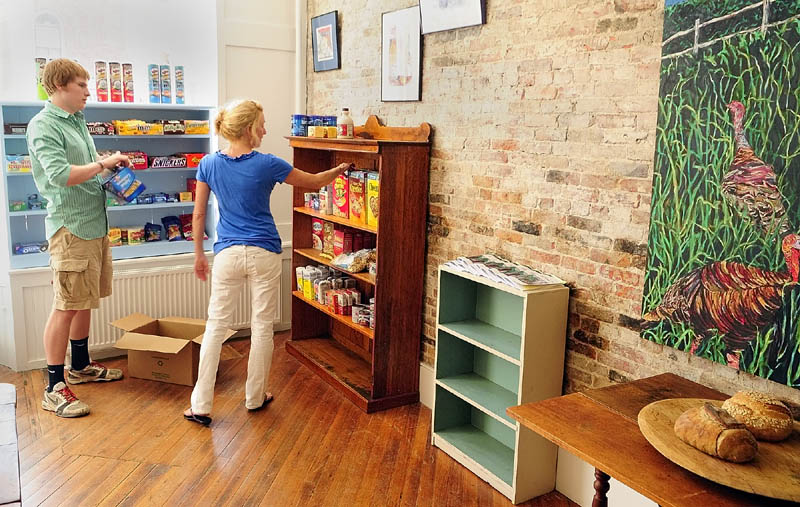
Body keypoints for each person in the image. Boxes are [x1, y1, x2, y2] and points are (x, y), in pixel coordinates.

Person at [184, 99, 351, 426]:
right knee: (261, 326)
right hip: (264, 253)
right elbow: (315, 182)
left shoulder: (208, 164)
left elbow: (199, 214)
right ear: (248, 130)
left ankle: (201, 405)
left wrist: (199, 256)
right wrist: (340, 170)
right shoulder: (267, 164)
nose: (265, 130)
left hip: (227, 255)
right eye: (261, 124)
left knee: (215, 327)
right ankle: (255, 397)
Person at [26, 58, 131, 418]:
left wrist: (108, 169)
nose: (89, 91)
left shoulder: (77, 121)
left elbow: (84, 172)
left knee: (84, 300)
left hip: (94, 224)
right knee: (66, 304)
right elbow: (58, 176)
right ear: (59, 86)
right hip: (70, 228)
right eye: (82, 86)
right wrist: (104, 163)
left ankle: (81, 367)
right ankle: (54, 387)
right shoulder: (43, 125)